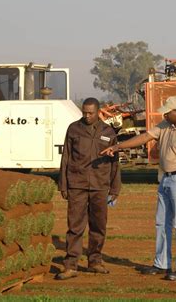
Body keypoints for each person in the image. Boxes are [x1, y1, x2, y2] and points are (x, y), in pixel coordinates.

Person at [101, 96, 176, 281]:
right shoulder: (166, 125)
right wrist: (118, 146)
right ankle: (161, 264)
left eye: (168, 111)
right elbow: (145, 137)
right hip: (165, 178)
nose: (164, 114)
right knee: (161, 223)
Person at [56, 97, 121, 280]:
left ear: (98, 112)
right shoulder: (73, 129)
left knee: (98, 226)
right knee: (75, 226)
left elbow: (115, 163)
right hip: (77, 184)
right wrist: (63, 184)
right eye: (84, 112)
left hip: (100, 186)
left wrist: (115, 188)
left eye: (90, 113)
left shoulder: (108, 132)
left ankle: (95, 261)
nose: (87, 115)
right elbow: (66, 157)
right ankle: (71, 265)